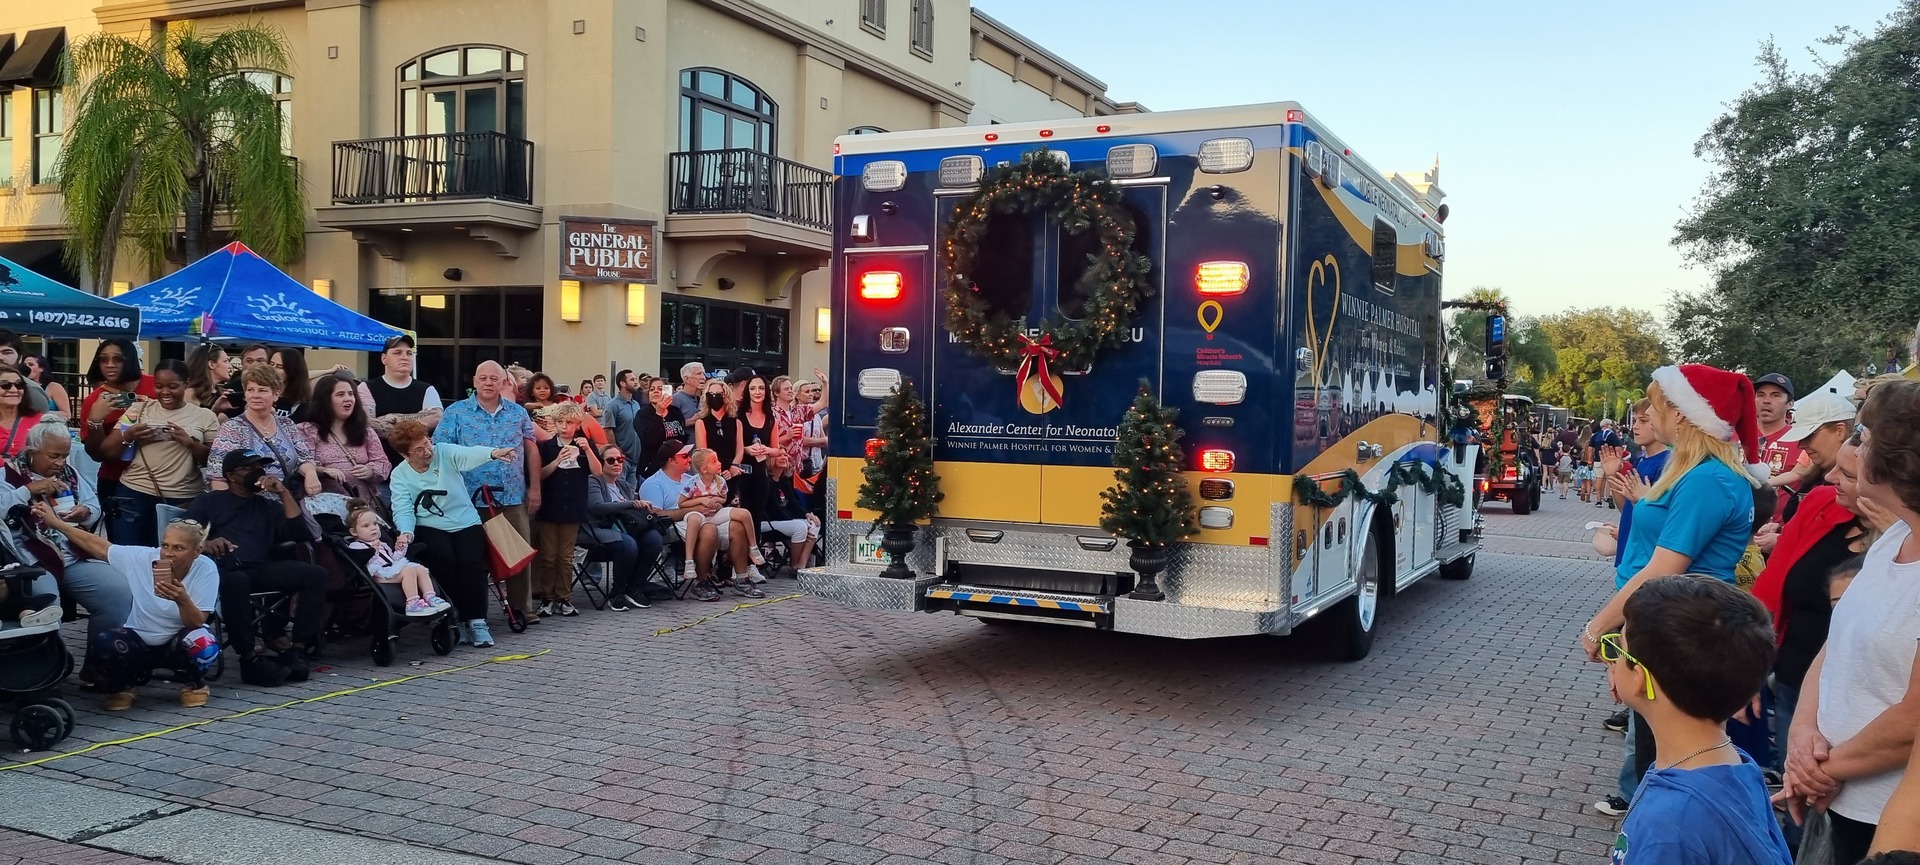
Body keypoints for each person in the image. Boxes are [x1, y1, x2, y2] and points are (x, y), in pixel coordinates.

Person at [1585, 364, 1766, 817]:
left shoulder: (1707, 479)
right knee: (1655, 751)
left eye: (1655, 405)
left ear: (1682, 413)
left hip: (1681, 631)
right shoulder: (1698, 474)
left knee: (1665, 761)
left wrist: (1598, 628)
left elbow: (1665, 567)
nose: (1647, 414)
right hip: (1668, 623)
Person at [1776, 380, 1920, 861]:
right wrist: (1802, 737)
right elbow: (1836, 642)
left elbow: (1913, 717)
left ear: (1898, 459)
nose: (1855, 449)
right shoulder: (1895, 536)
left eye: (1865, 437)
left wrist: (1819, 770)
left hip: (1889, 818)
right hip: (1838, 794)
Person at [1599, 575, 1792, 865]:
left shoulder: (1669, 825)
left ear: (1639, 678)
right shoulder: (1737, 765)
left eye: (1617, 649)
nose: (1612, 661)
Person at [34, 504, 218, 711]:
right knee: (103, 642)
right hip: (139, 641)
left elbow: (197, 621)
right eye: (165, 545)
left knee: (203, 641)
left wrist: (182, 600)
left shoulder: (206, 569)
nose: (168, 553)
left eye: (178, 548)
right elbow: (99, 546)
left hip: (178, 641)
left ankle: (194, 683)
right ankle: (124, 685)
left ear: (197, 551)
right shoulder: (144, 558)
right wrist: (56, 523)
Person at [0, 416, 131, 684]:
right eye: (54, 456)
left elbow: (93, 506)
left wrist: (85, 512)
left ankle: (98, 664)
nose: (60, 462)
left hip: (72, 555)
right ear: (32, 451)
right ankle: (47, 673)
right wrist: (27, 490)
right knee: (47, 602)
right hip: (32, 560)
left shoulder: (69, 475)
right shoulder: (7, 475)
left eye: (64, 455)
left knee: (119, 591)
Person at [188, 449, 330, 686]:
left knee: (316, 574)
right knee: (236, 581)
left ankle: (297, 649)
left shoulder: (267, 506)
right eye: (250, 468)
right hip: (225, 569)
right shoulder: (209, 501)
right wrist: (206, 542)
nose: (258, 472)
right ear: (231, 476)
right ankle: (249, 658)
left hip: (262, 568)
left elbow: (300, 533)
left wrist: (283, 492)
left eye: (260, 467)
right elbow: (183, 532)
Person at [388, 419, 517, 648]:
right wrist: (406, 532)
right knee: (444, 560)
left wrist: (493, 453)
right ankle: (454, 616)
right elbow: (403, 507)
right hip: (430, 524)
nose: (428, 451)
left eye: (427, 443)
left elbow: (468, 454)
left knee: (472, 564)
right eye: (419, 449)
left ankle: (477, 621)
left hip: (465, 520)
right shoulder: (400, 475)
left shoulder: (444, 452)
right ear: (405, 455)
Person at [433, 361, 542, 623]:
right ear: (474, 381)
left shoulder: (518, 413)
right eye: (483, 378)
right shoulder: (456, 412)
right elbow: (440, 450)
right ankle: (474, 612)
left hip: (512, 495)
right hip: (469, 498)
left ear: (504, 383)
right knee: (473, 559)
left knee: (517, 554)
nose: (488, 383)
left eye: (494, 378)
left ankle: (522, 608)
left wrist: (535, 488)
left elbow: (531, 450)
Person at [101, 360, 217, 545]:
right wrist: (130, 435)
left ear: (186, 384)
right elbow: (108, 451)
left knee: (171, 554)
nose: (165, 392)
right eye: (159, 386)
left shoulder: (205, 416)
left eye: (173, 386)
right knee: (129, 553)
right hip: (134, 491)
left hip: (182, 497)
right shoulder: (138, 409)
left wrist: (190, 443)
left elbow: (214, 461)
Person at [205, 364, 323, 497]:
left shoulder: (287, 424)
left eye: (262, 390)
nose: (255, 395)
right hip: (249, 503)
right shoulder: (233, 427)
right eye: (250, 390)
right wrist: (227, 506)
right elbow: (217, 474)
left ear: (276, 394)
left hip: (287, 500)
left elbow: (304, 458)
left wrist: (310, 473)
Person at [533, 402, 598, 618]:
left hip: (573, 506)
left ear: (577, 424)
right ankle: (547, 598)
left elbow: (598, 472)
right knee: (549, 556)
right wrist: (557, 460)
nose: (564, 426)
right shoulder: (547, 446)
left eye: (569, 422)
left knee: (566, 556)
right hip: (550, 507)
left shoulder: (584, 444)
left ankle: (564, 597)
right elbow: (539, 475)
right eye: (560, 422)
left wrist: (587, 450)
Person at [583, 444, 665, 612]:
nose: (616, 463)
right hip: (598, 529)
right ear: (601, 462)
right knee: (628, 543)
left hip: (625, 528)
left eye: (620, 460)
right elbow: (596, 507)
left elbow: (630, 513)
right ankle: (617, 593)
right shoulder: (594, 481)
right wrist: (631, 503)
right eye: (611, 460)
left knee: (654, 538)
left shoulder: (623, 485)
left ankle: (635, 588)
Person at [676, 448, 765, 599]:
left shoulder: (720, 480)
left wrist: (717, 502)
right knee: (707, 528)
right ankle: (698, 577)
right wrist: (701, 501)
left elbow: (723, 499)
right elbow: (681, 503)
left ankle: (744, 573)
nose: (719, 463)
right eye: (714, 461)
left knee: (739, 521)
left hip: (714, 514)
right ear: (704, 468)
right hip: (697, 516)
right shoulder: (693, 482)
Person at [79, 339, 158, 507]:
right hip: (115, 480)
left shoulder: (156, 385)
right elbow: (96, 455)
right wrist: (95, 421)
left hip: (162, 478)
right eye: (103, 359)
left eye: (118, 359)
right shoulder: (94, 400)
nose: (109, 365)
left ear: (131, 360)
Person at [1763, 390, 1855, 529]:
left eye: (1809, 436)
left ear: (1840, 431)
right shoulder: (1814, 474)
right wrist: (1782, 531)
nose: (1801, 445)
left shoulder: (1859, 487)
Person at [297, 373, 392, 503]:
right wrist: (324, 470)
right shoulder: (307, 430)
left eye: (351, 394)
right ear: (325, 400)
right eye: (340, 394)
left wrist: (370, 471)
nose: (348, 399)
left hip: (362, 505)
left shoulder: (365, 431)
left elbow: (382, 462)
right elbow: (301, 462)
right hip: (325, 504)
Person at [344, 502, 448, 617]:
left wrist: (400, 549)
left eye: (375, 523)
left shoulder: (382, 544)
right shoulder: (356, 546)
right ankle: (412, 604)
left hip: (389, 569)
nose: (373, 528)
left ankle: (430, 597)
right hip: (376, 573)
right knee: (408, 571)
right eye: (366, 526)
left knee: (420, 569)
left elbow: (392, 560)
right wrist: (372, 551)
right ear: (354, 532)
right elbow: (363, 562)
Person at [367, 334, 443, 464]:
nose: (405, 357)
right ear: (384, 359)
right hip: (380, 465)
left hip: (417, 467)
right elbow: (366, 425)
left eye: (409, 353)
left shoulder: (427, 389)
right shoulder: (367, 388)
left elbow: (437, 417)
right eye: (397, 353)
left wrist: (392, 418)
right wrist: (417, 421)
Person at [1754, 373, 1802, 524]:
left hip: (1778, 529)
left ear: (1790, 404)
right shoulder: (1734, 435)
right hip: (1732, 527)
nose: (1766, 401)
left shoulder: (1801, 440)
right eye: (1760, 395)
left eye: (1776, 395)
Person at [762, 450, 819, 575]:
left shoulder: (784, 481)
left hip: (785, 519)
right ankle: (794, 565)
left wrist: (807, 514)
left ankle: (801, 564)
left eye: (785, 455)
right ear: (770, 459)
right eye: (779, 455)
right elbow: (773, 509)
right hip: (768, 521)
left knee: (814, 523)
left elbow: (794, 504)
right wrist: (795, 520)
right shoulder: (765, 481)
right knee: (800, 526)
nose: (784, 458)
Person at [603, 369, 646, 487]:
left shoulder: (636, 404)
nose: (636, 382)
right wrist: (617, 452)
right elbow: (608, 430)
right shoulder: (612, 405)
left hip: (636, 458)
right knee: (619, 490)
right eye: (632, 380)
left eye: (635, 379)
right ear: (622, 383)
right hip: (622, 459)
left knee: (631, 492)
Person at [636, 379, 687, 476]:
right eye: (652, 389)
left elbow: (682, 435)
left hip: (676, 466)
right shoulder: (643, 414)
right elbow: (650, 440)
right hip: (653, 467)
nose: (655, 391)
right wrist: (659, 414)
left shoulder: (675, 412)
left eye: (660, 389)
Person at [0, 363, 45, 460]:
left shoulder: (40, 421)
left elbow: (50, 455)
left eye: (19, 385)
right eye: (5, 385)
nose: (14, 390)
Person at [183, 343, 237, 418]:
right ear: (211, 364)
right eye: (225, 361)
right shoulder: (189, 394)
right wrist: (216, 409)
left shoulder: (222, 393)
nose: (230, 366)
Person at [269, 348, 311, 421]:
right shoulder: (260, 395)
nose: (273, 369)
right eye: (271, 364)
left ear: (292, 370)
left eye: (280, 366)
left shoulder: (302, 405)